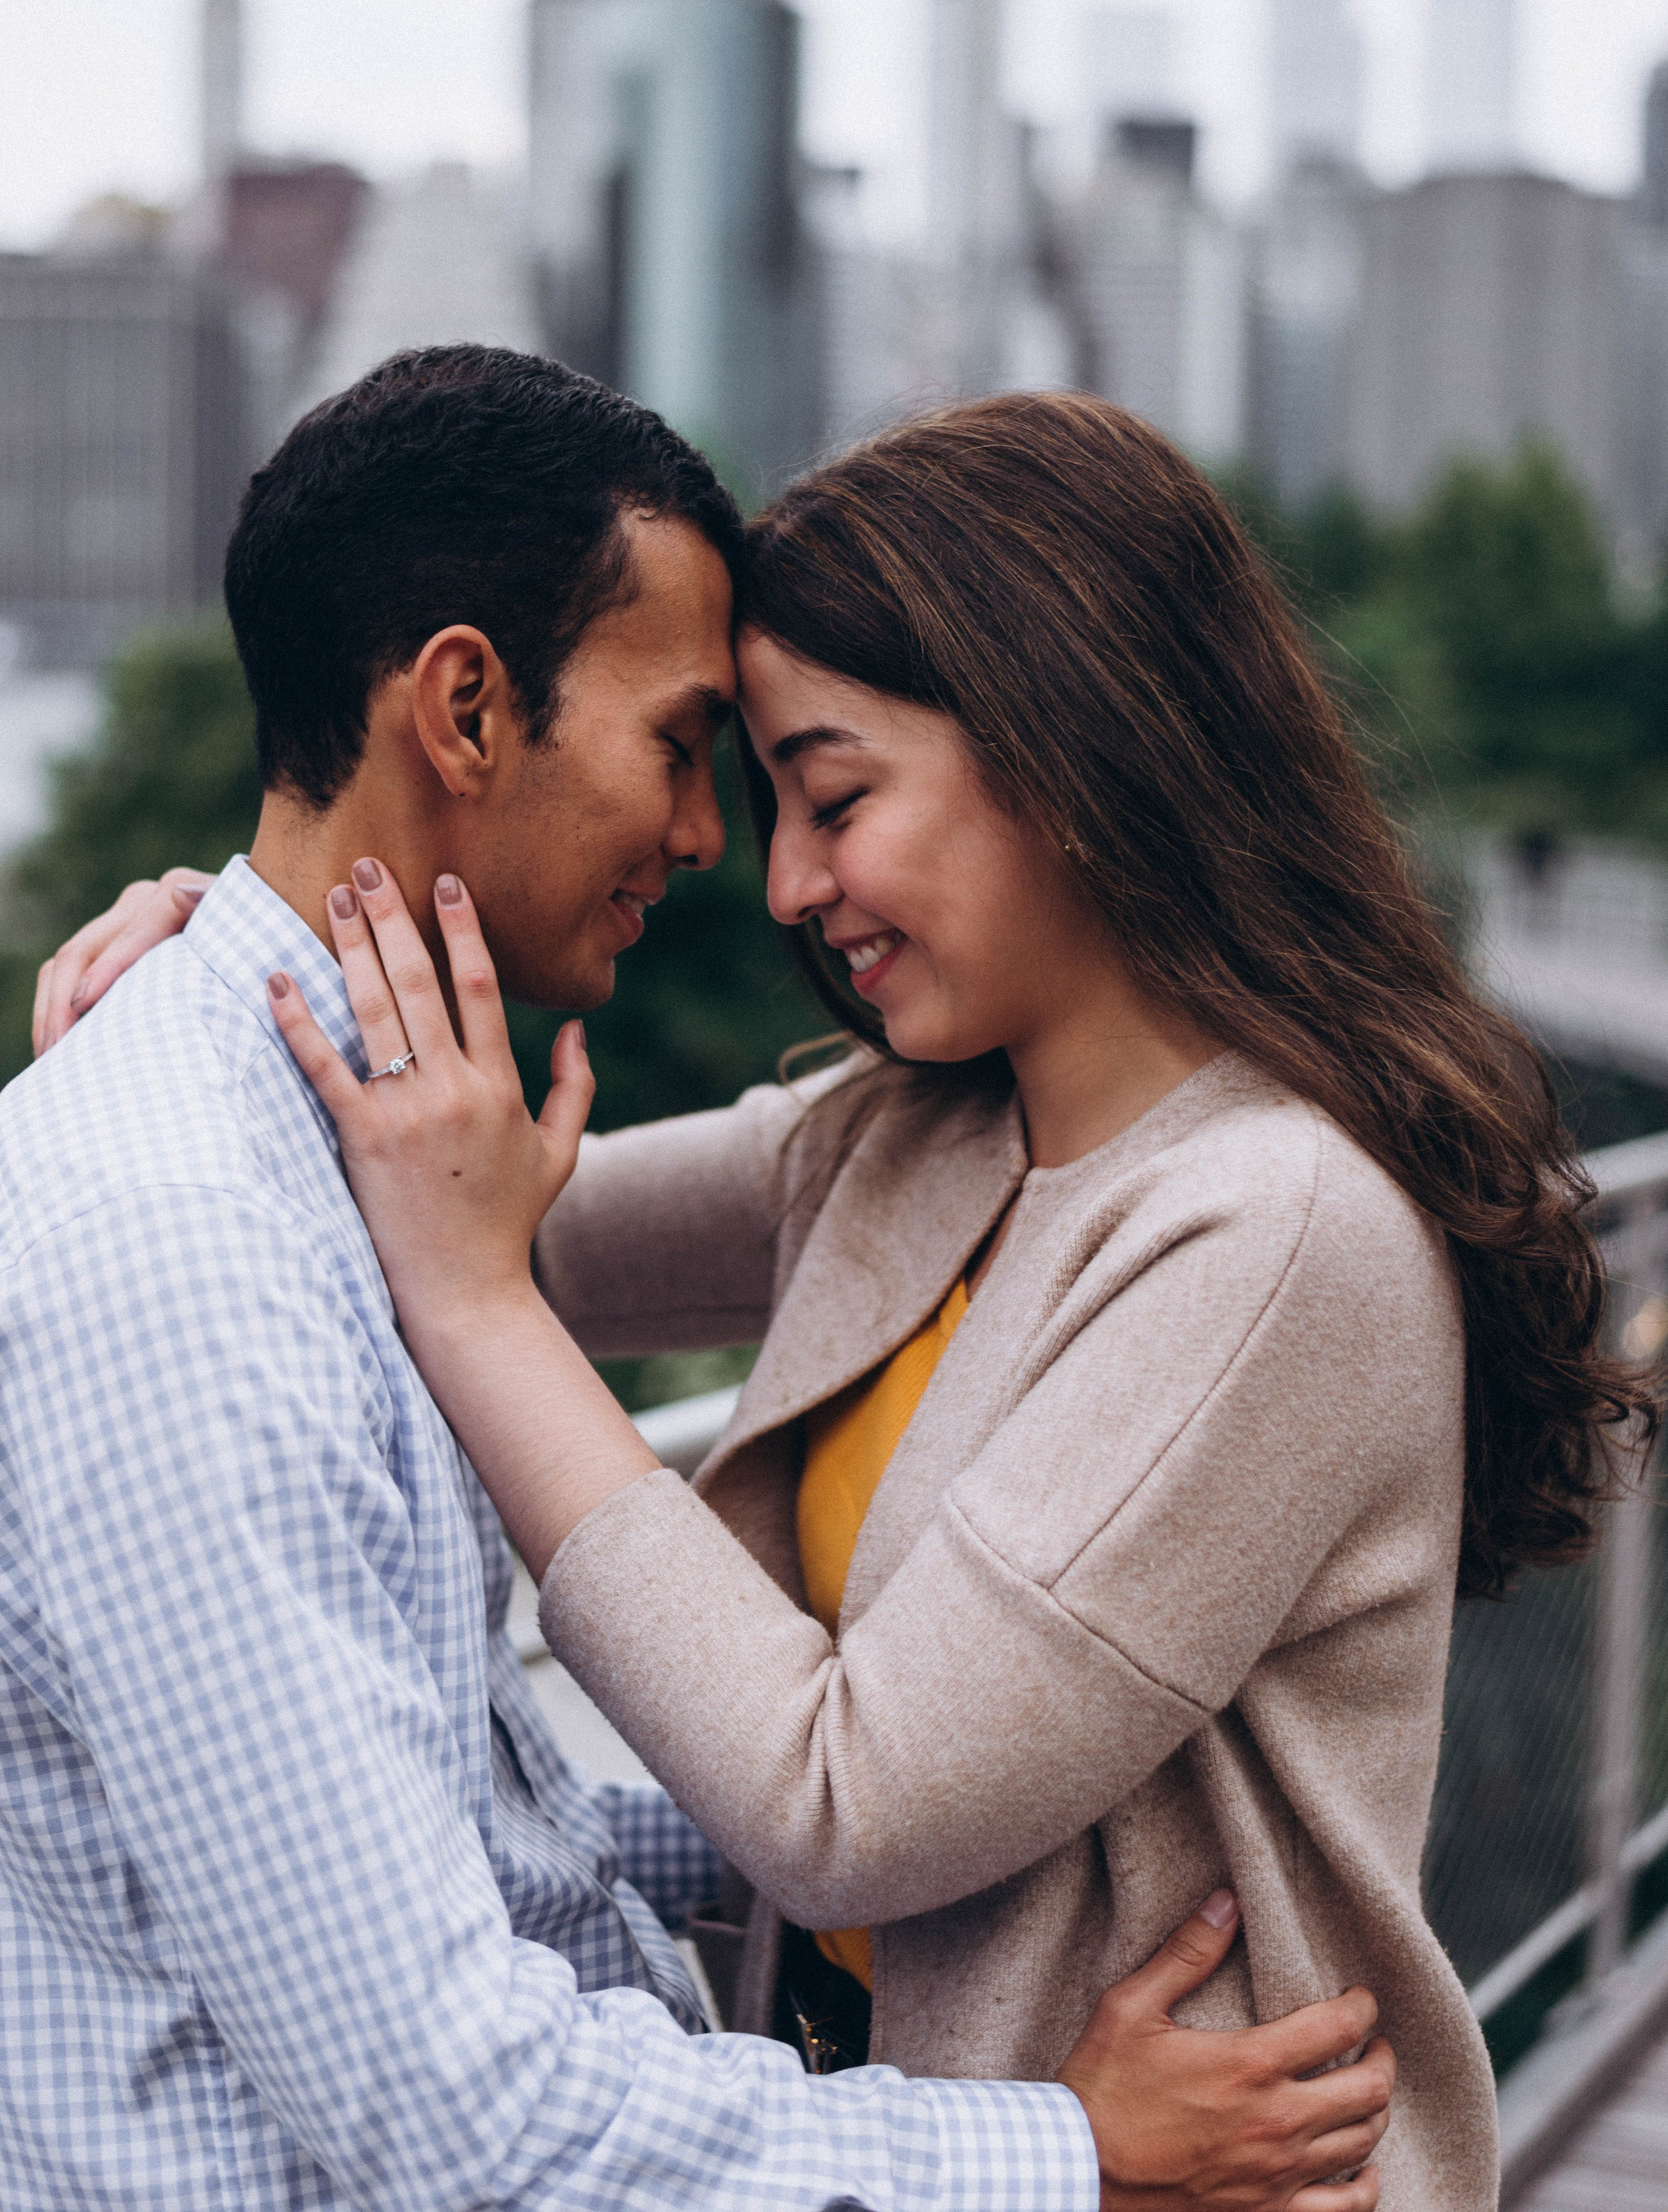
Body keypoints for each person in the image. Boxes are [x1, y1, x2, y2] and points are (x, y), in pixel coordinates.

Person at [109, 391, 1656, 2212]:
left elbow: (848, 1800)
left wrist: (481, 1310)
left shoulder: (1274, 1233)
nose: (783, 881)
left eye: (836, 797)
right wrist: (243, 964)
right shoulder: (916, 1135)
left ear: (1069, 739)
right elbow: (460, 1206)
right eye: (770, 804)